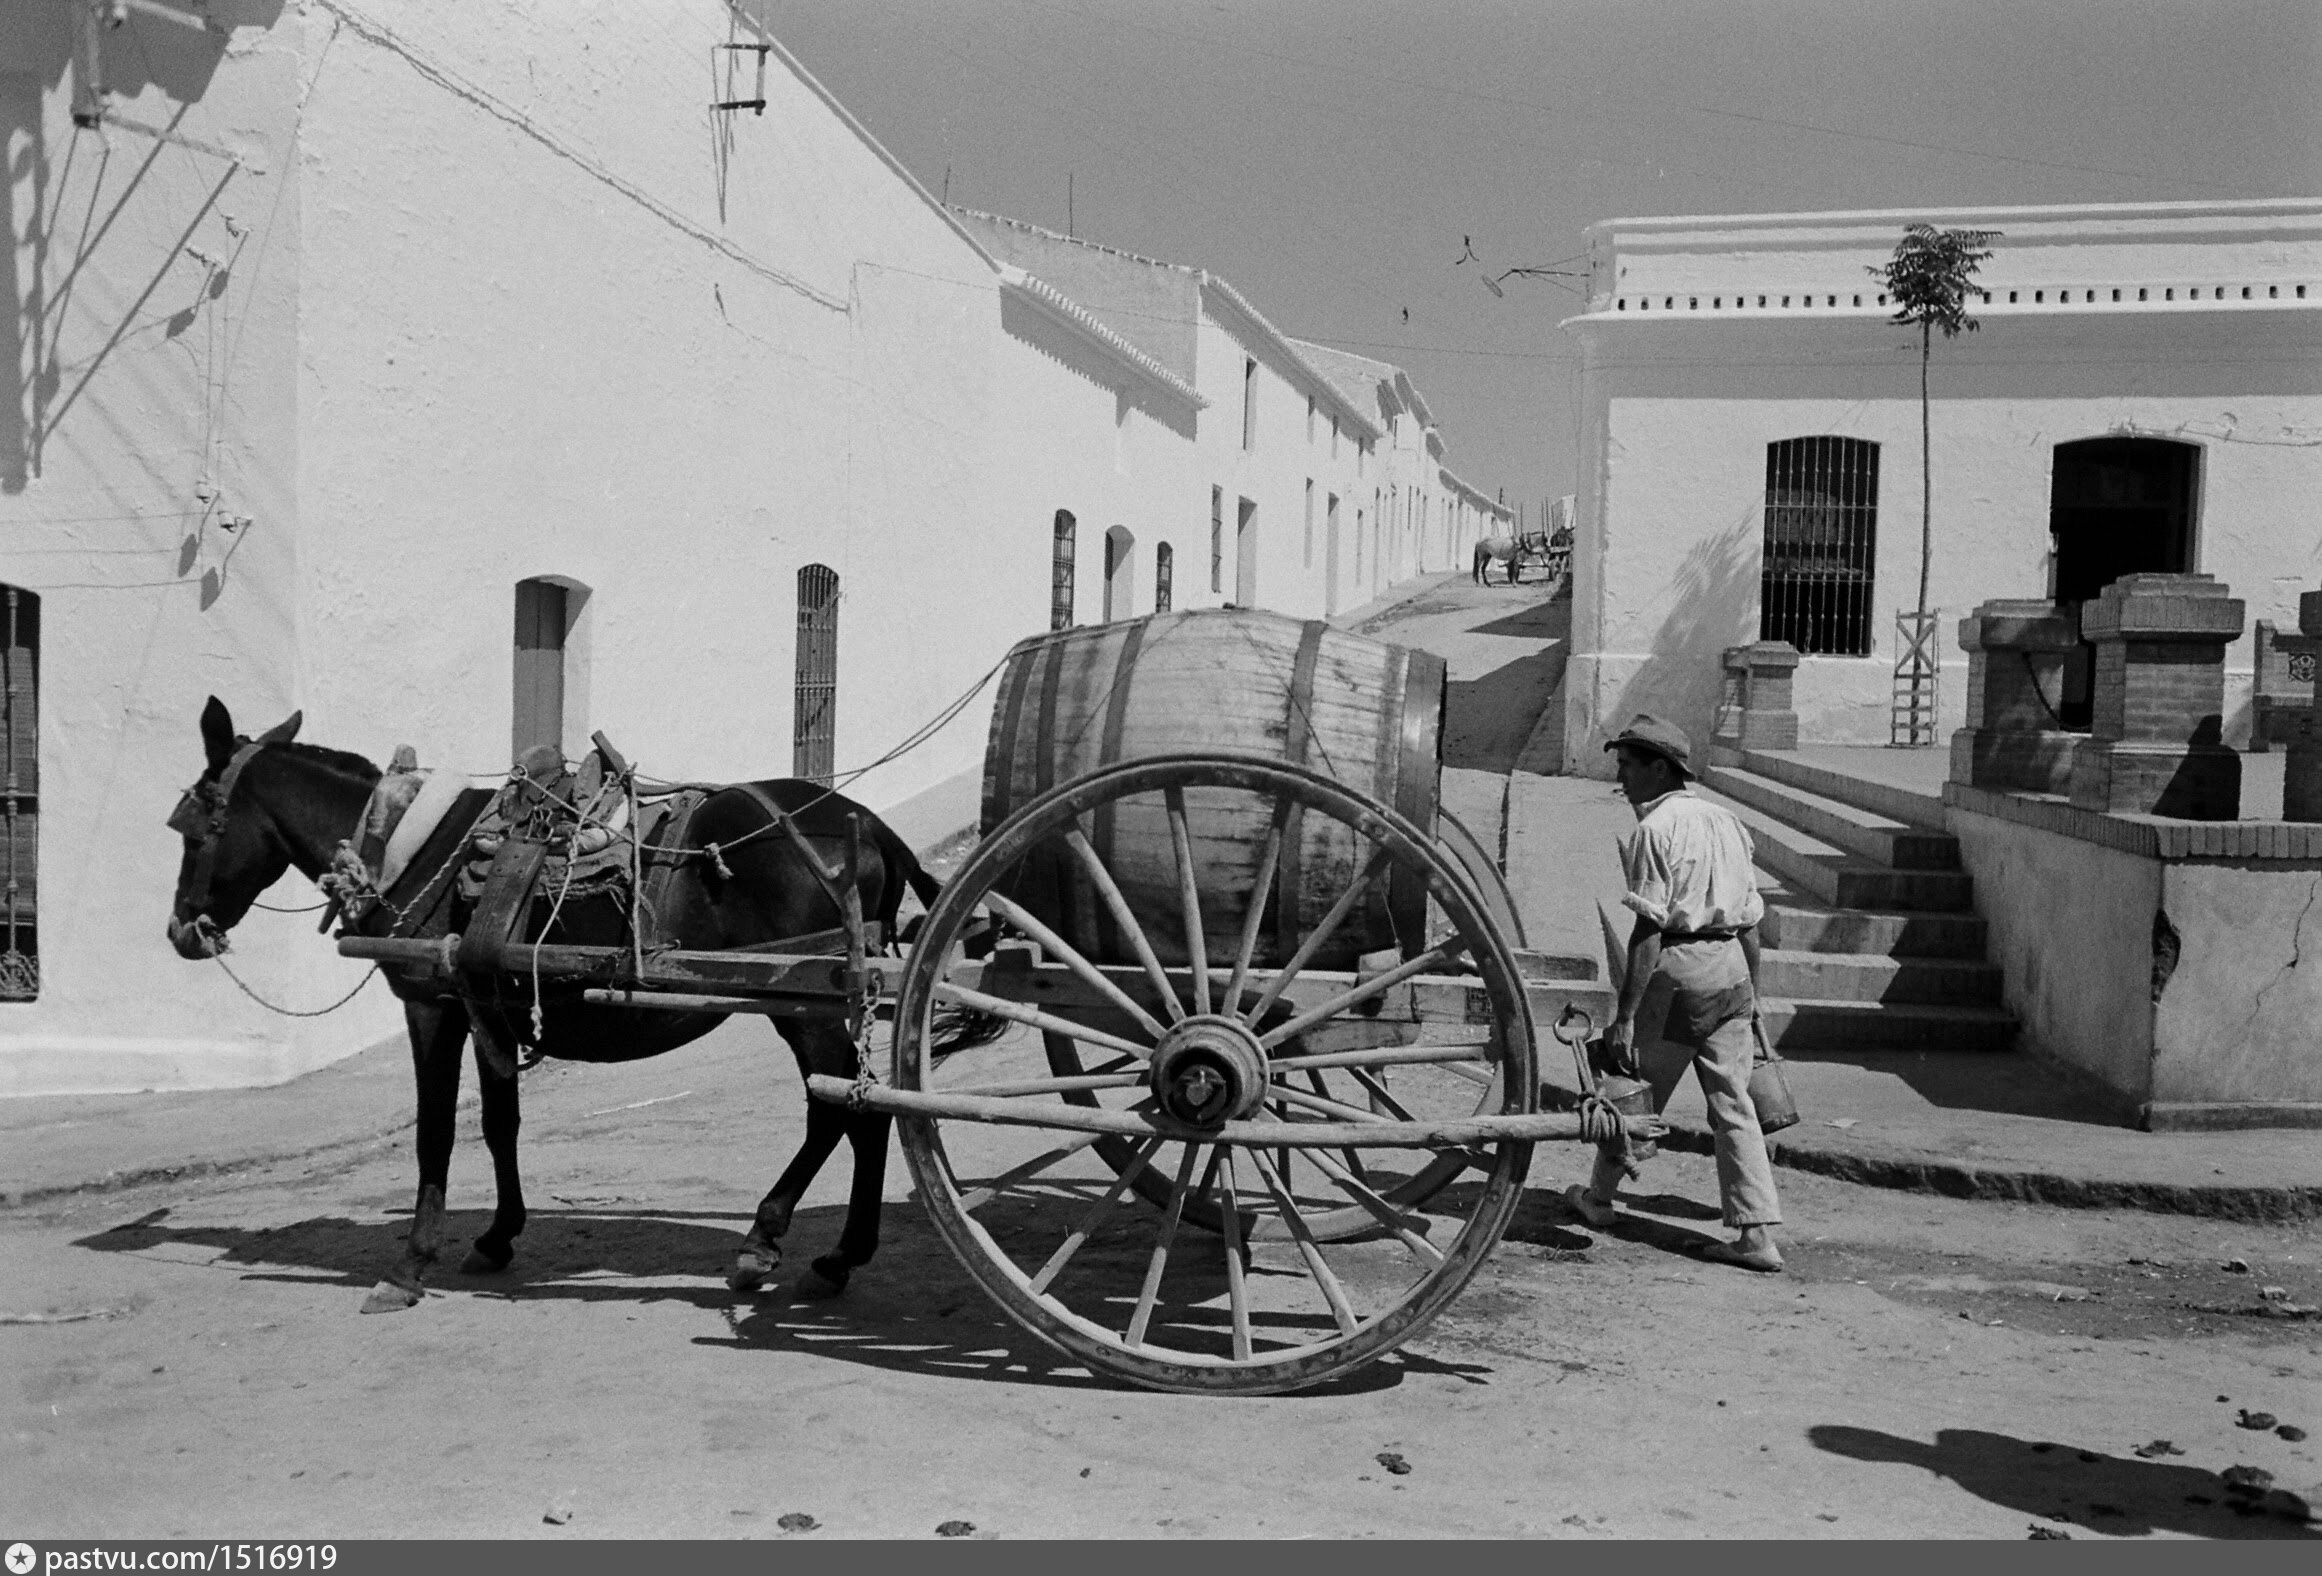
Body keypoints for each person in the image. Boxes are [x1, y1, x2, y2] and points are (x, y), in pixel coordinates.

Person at [1566, 713, 1785, 1272]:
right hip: (1732, 969)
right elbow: (1751, 922)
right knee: (1734, 1106)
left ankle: (1599, 1200)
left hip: (1681, 973)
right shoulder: (1727, 821)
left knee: (1631, 1088)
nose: (1621, 778)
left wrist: (1625, 1016)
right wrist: (1753, 997)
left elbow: (1648, 931)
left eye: (1627, 766)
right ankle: (1757, 1235)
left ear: (1660, 768)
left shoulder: (1655, 830)